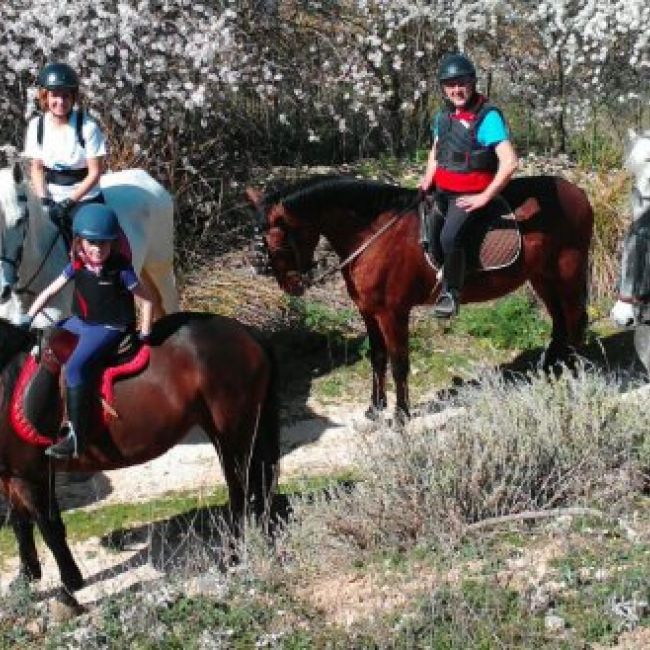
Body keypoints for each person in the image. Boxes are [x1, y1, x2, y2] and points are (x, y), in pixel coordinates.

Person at [21, 204, 153, 459]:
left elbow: (145, 299)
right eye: (92, 243)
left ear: (112, 244)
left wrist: (145, 332)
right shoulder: (77, 265)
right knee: (48, 336)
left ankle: (76, 437)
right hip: (81, 321)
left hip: (108, 326)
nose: (97, 249)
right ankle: (43, 407)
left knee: (74, 367)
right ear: (80, 242)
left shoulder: (120, 268)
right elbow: (49, 291)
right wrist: (29, 317)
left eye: (104, 244)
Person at [419, 53, 518, 318]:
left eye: (461, 82)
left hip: (470, 196)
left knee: (450, 236)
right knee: (426, 232)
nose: (456, 89)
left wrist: (484, 197)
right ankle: (438, 273)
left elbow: (509, 162)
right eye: (450, 84)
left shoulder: (488, 118)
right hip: (442, 192)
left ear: (472, 82)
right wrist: (428, 177)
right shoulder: (443, 117)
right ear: (443, 88)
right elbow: (436, 151)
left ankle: (452, 292)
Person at [23, 62, 107, 236]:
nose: (60, 101)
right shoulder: (36, 126)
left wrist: (70, 202)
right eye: (55, 95)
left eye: (66, 96)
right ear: (45, 96)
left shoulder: (87, 127)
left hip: (83, 197)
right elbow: (37, 169)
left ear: (73, 97)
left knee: (93, 240)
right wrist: (44, 200)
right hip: (50, 195)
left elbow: (95, 172)